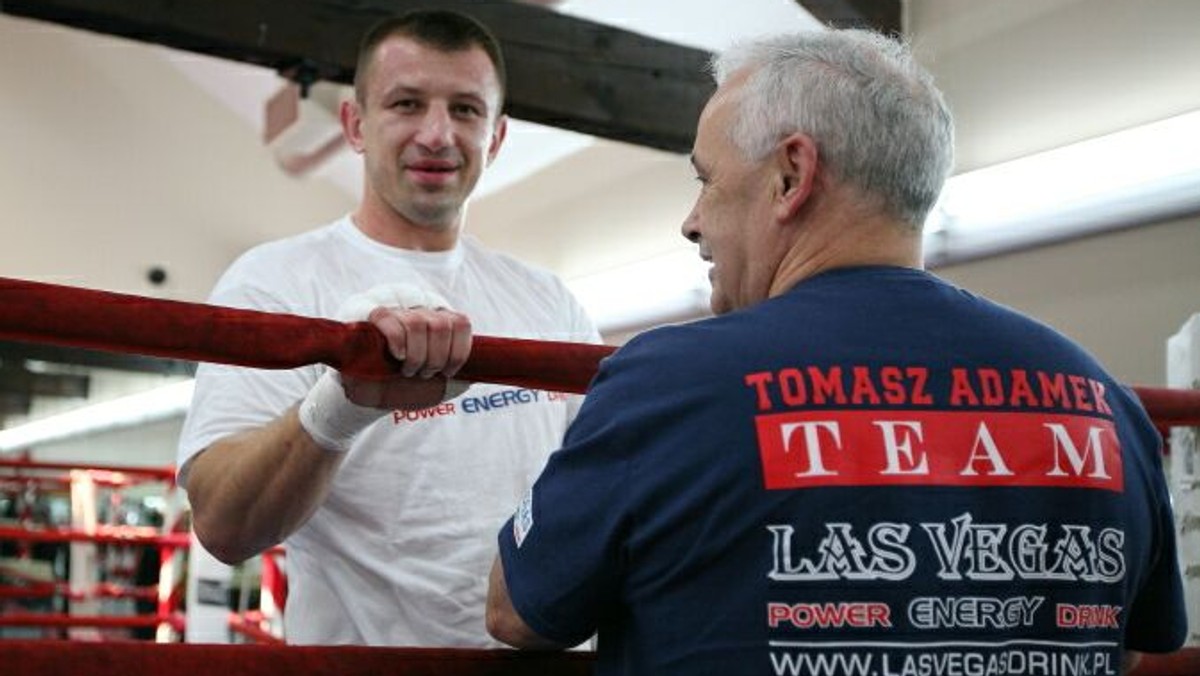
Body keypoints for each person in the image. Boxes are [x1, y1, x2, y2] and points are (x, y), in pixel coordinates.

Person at [486, 29, 1187, 674]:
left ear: (791, 175)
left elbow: (520, 613)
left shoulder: (667, 383)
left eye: (707, 180)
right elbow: (1123, 650)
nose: (692, 221)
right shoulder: (1102, 401)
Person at [177, 9, 598, 646]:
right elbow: (223, 525)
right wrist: (341, 404)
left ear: (498, 136)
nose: (437, 134)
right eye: (406, 103)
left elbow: (602, 491)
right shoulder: (276, 281)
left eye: (465, 110)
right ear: (355, 125)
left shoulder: (550, 302)